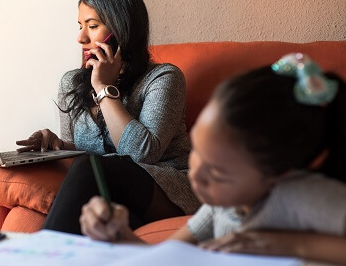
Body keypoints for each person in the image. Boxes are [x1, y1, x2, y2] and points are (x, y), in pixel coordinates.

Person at [80, 53, 346, 265]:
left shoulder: (301, 196)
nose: (196, 174)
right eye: (197, 152)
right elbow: (166, 255)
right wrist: (118, 234)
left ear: (281, 173)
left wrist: (290, 245)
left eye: (218, 172)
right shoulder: (223, 206)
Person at [16, 0, 200, 234]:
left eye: (92, 26)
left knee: (92, 167)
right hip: (110, 199)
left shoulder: (164, 78)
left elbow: (141, 154)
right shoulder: (71, 82)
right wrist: (57, 145)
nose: (81, 38)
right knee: (43, 211)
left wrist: (104, 89)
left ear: (120, 30)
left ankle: (42, 251)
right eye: (80, 27)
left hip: (166, 195)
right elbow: (78, 155)